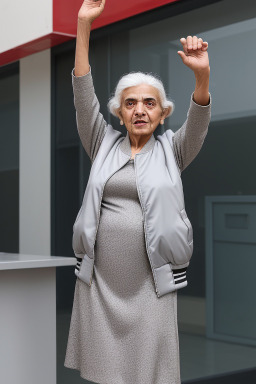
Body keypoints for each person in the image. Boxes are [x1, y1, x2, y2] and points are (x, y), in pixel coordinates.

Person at [64, 1, 211, 383]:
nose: (140, 110)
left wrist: (201, 78)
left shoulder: (173, 150)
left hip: (152, 285)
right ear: (119, 112)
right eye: (130, 103)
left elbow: (197, 121)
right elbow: (83, 95)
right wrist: (83, 25)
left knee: (149, 372)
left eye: (149, 103)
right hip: (101, 283)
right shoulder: (102, 142)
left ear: (163, 113)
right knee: (104, 371)